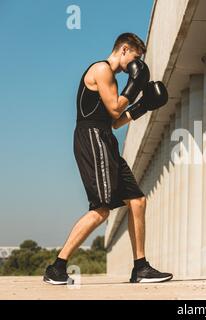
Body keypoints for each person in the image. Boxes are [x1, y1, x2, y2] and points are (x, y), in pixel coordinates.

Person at [43, 33, 171, 285]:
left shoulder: (110, 79)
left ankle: (141, 268)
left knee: (137, 200)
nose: (135, 65)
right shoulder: (101, 69)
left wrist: (144, 106)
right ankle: (56, 268)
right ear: (124, 49)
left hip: (104, 137)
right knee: (101, 209)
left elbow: (114, 121)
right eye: (135, 58)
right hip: (91, 138)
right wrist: (135, 86)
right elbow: (114, 108)